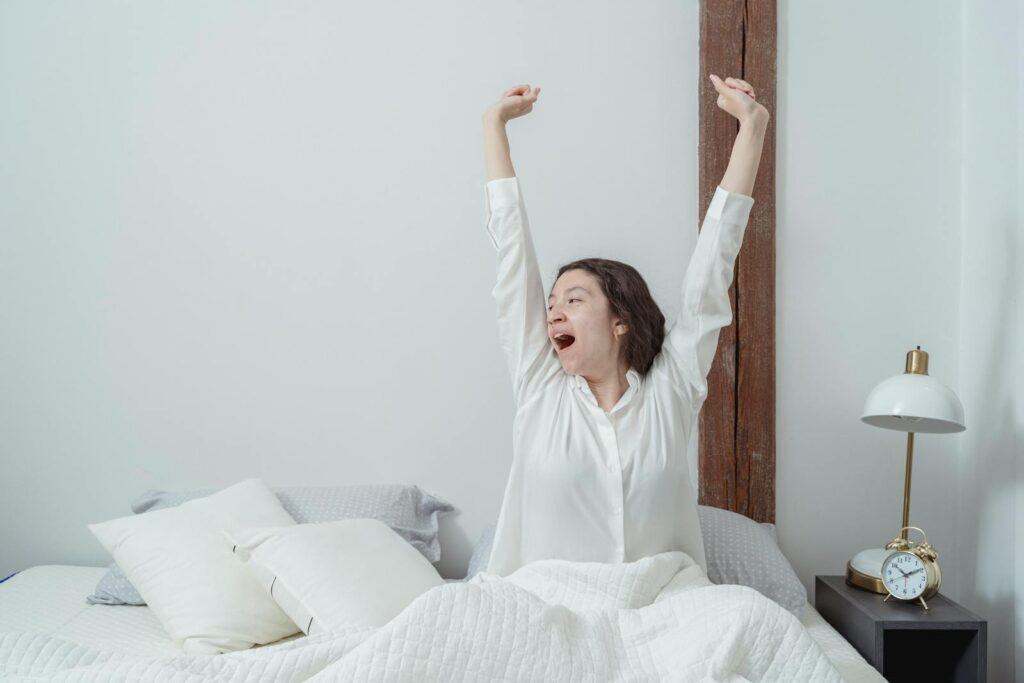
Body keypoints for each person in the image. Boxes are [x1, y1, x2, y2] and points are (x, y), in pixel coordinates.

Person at [481, 76, 769, 576]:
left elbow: (712, 269)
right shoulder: (540, 387)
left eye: (574, 300)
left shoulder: (671, 392)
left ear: (619, 322)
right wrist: (494, 126)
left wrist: (753, 128)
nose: (553, 313)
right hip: (550, 616)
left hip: (661, 615)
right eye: (552, 304)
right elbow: (512, 259)